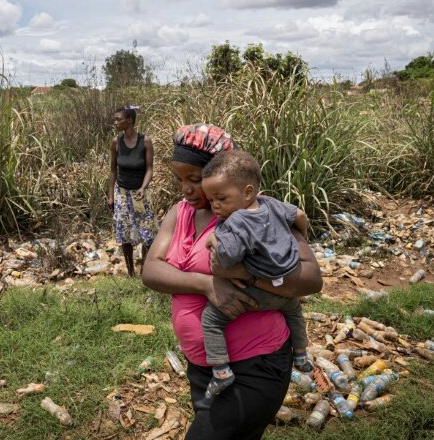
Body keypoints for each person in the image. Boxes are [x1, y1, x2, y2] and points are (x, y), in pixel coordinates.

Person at [141, 123, 322, 440]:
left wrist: (248, 275)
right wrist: (206, 284)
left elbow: (310, 280)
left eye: (195, 180)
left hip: (256, 363)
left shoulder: (258, 214)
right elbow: (151, 271)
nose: (186, 189)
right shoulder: (180, 212)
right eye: (180, 179)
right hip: (204, 366)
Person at [196, 150, 312, 410]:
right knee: (294, 311)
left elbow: (227, 258)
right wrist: (300, 239)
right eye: (211, 199)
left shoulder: (236, 221)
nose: (214, 206)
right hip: (284, 290)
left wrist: (214, 239)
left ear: (247, 192)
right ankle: (302, 355)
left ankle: (221, 371)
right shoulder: (271, 204)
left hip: (256, 291)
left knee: (211, 319)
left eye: (221, 198)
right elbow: (301, 216)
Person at [108, 106, 156, 277]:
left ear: (129, 120)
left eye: (118, 119)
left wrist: (143, 188)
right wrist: (110, 196)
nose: (115, 123)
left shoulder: (145, 141)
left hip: (140, 193)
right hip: (121, 193)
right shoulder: (116, 142)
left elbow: (149, 169)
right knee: (124, 233)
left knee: (147, 233)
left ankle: (145, 270)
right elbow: (113, 171)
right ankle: (130, 273)